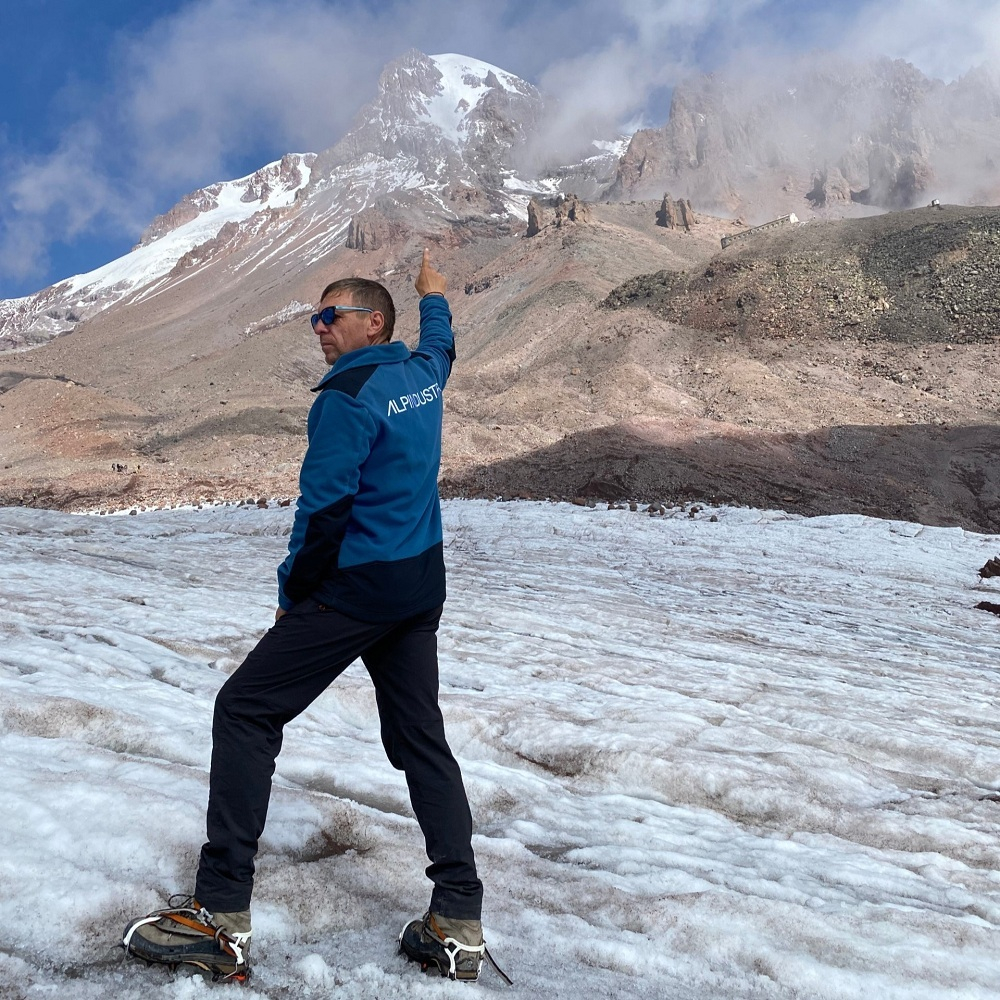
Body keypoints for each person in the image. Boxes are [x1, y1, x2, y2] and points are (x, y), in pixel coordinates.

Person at [123, 251, 498, 984]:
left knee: (244, 709)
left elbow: (322, 512)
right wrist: (437, 294)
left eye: (331, 316)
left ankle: (219, 917)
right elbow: (443, 345)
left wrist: (294, 596)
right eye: (314, 318)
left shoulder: (346, 395)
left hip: (356, 589)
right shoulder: (419, 376)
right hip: (419, 585)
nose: (318, 329)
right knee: (421, 741)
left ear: (371, 323)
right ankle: (457, 918)